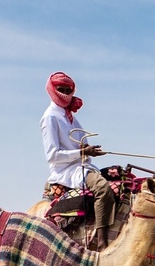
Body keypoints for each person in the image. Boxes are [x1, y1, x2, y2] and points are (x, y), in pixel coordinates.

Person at [40, 71, 117, 246]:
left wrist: (87, 150)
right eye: (61, 90)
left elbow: (77, 144)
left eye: (69, 90)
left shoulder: (69, 117)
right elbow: (52, 155)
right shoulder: (50, 117)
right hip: (66, 171)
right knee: (103, 189)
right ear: (52, 89)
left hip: (82, 166)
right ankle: (102, 242)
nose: (66, 94)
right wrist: (83, 153)